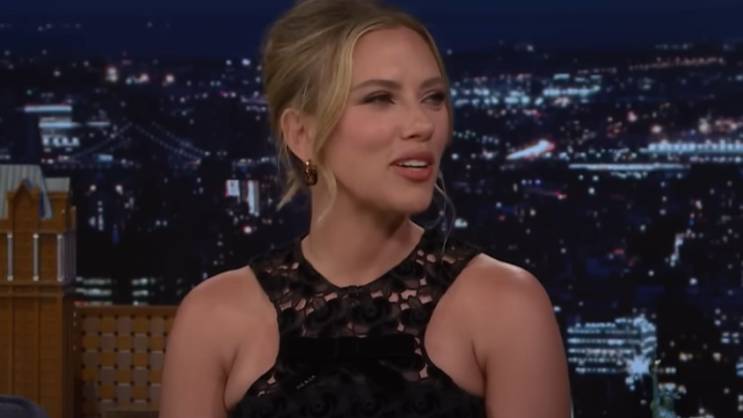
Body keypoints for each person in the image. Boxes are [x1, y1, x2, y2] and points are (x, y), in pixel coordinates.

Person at [159, 0, 571, 417]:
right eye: (380, 98)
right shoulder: (212, 319)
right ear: (301, 134)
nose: (423, 125)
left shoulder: (508, 308)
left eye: (433, 97)